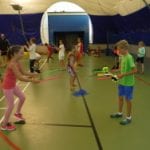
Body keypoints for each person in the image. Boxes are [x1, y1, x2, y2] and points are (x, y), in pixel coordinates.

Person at [0, 45, 40, 131]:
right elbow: (20, 78)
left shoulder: (18, 62)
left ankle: (17, 113)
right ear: (14, 54)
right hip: (7, 87)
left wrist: (33, 74)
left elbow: (24, 72)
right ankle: (4, 125)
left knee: (22, 97)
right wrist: (33, 80)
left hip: (13, 85)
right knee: (11, 105)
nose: (23, 54)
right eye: (21, 53)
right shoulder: (12, 64)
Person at [110, 40, 137, 125]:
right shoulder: (122, 57)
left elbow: (135, 70)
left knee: (128, 100)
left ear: (124, 48)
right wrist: (116, 70)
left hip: (128, 83)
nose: (118, 51)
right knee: (120, 98)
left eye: (119, 49)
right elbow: (122, 69)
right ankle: (119, 113)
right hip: (121, 82)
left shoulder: (129, 57)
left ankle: (129, 118)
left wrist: (123, 75)